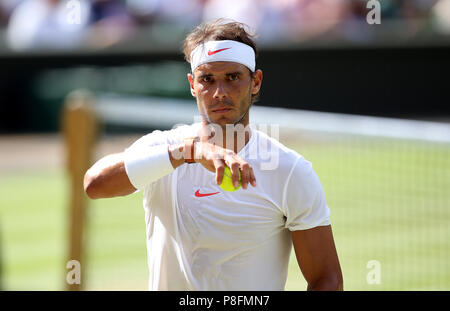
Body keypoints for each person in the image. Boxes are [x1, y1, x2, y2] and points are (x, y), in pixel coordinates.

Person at [84, 19, 343, 291]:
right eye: (207, 79)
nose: (220, 93)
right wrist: (188, 152)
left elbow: (327, 279)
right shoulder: (165, 147)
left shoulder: (290, 170)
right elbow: (94, 184)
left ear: (255, 82)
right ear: (192, 85)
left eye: (233, 78)